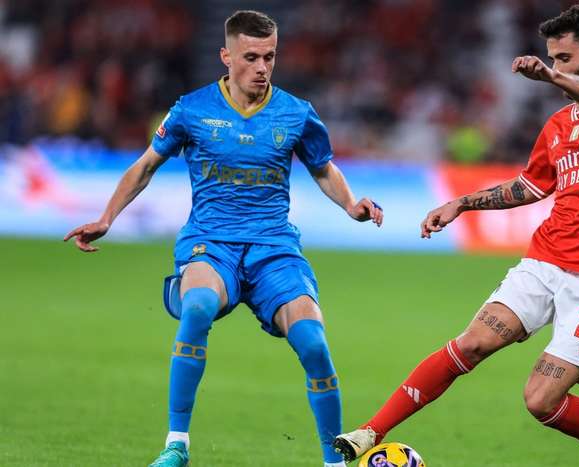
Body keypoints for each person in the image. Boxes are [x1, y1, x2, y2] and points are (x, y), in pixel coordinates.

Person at [334, 4, 579, 466]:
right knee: (472, 342)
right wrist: (462, 203)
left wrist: (551, 78)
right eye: (553, 59)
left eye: (565, 58)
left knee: (541, 400)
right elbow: (530, 185)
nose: (556, 66)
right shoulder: (558, 126)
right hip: (546, 261)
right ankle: (371, 431)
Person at [64, 10, 383, 467]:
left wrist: (351, 204)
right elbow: (144, 166)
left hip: (274, 247)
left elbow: (323, 169)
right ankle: (177, 445)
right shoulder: (192, 109)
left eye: (269, 57)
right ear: (226, 56)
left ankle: (333, 462)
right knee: (195, 310)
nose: (261, 68)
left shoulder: (296, 113)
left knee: (314, 343)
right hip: (211, 243)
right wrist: (106, 218)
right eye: (250, 57)